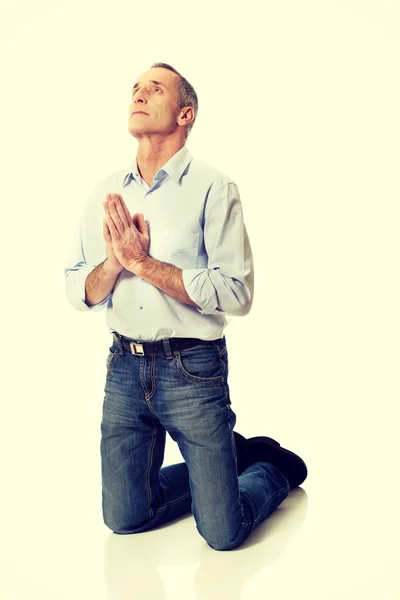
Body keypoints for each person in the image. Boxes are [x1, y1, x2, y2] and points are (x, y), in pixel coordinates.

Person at [64, 62, 307, 551]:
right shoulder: (105, 192)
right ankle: (222, 464)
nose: (139, 92)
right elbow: (77, 290)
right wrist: (114, 265)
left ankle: (272, 468)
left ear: (184, 114)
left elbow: (237, 293)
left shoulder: (215, 189)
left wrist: (143, 262)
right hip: (124, 371)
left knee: (223, 533)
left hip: (193, 370)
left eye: (155, 88)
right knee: (126, 518)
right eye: (135, 87)